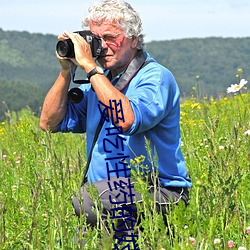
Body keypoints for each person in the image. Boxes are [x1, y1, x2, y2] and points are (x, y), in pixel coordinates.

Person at [40, 0, 192, 247]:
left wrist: (90, 67)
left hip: (159, 192)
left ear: (133, 39)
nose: (102, 47)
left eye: (110, 37)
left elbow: (125, 120)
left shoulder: (154, 77)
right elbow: (49, 122)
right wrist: (66, 71)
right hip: (109, 200)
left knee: (88, 201)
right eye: (95, 39)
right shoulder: (99, 83)